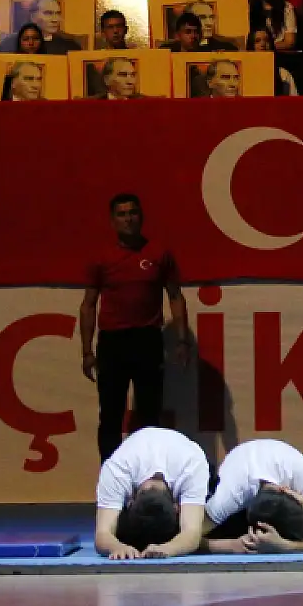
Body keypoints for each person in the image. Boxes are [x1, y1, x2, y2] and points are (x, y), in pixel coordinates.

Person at [81, 193, 191, 462]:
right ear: (112, 221)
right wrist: (86, 351)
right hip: (113, 343)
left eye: (133, 213)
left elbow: (175, 297)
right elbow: (88, 305)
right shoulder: (101, 258)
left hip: (147, 341)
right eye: (121, 214)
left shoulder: (159, 253)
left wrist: (182, 340)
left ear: (141, 217)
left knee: (150, 414)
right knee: (111, 414)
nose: (128, 219)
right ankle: (111, 476)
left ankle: (148, 480)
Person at [94, 426, 208, 559]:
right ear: (176, 507)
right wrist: (118, 547)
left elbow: (192, 534)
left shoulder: (192, 465)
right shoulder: (117, 469)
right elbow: (102, 535)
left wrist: (167, 548)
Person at [202, 439, 303, 554]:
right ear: (285, 489)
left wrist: (283, 545)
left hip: (272, 470)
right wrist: (231, 545)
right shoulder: (229, 496)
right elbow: (189, 535)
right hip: (238, 488)